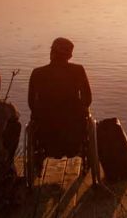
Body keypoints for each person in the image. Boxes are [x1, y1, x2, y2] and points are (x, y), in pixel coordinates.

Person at [28, 38, 92, 166]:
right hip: (74, 130)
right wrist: (82, 110)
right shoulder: (78, 70)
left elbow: (31, 103)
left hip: (46, 131)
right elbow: (88, 99)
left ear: (52, 53)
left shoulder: (37, 73)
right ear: (69, 55)